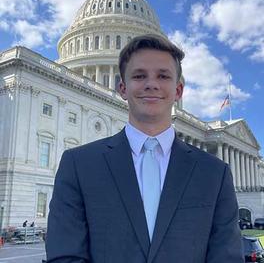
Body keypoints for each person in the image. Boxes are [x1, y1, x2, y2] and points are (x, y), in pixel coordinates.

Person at [46, 34, 244, 262]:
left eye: (163, 75)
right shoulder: (79, 165)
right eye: (140, 76)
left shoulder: (214, 173)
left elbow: (226, 257)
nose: (151, 84)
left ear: (178, 91)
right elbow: (64, 256)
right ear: (122, 87)